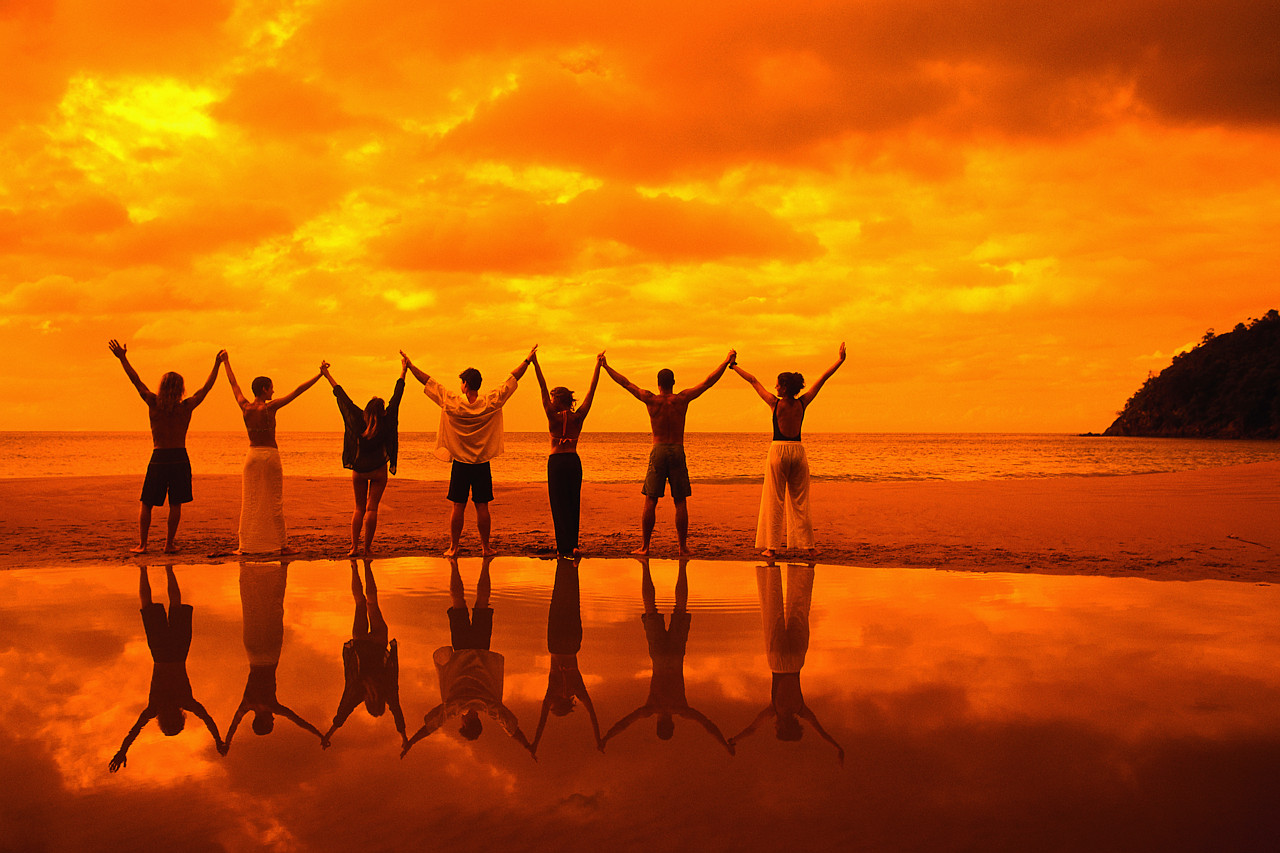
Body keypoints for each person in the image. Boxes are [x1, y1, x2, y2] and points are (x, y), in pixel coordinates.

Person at [401, 346, 537, 556]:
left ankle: (454, 547)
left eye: (461, 382)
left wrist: (410, 366)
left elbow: (430, 382)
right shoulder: (490, 402)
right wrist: (527, 361)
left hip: (461, 465)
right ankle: (485, 547)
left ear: (465, 385)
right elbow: (511, 380)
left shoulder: (454, 403)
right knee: (482, 506)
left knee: (458, 506)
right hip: (481, 463)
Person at [601, 350, 735, 556]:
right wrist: (726, 362)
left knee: (651, 500)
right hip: (677, 449)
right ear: (674, 382)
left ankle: (645, 547)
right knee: (680, 500)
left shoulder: (650, 399)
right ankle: (683, 547)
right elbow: (708, 381)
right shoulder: (682, 399)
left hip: (659, 449)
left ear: (658, 383)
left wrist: (606, 366)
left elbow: (626, 383)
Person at [402, 557, 533, 757]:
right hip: (461, 649)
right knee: (458, 603)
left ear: (479, 721)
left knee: (482, 603)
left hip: (481, 648)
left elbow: (511, 728)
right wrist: (411, 741)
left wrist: (526, 745)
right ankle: (453, 564)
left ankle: (486, 564)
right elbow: (431, 726)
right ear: (464, 722)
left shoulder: (490, 706)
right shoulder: (455, 706)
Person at [601, 558, 733, 754]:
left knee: (680, 608)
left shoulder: (681, 709)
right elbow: (626, 722)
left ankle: (682, 566)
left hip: (676, 656)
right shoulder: (651, 709)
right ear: (658, 723)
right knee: (651, 609)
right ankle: (646, 567)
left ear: (672, 724)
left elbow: (706, 724)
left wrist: (724, 744)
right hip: (659, 657)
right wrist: (606, 737)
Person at [108, 340, 225, 554]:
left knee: (147, 503)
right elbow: (206, 388)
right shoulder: (186, 406)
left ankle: (143, 545)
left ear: (162, 387)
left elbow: (136, 381)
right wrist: (217, 364)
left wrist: (123, 358)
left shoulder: (153, 402)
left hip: (160, 456)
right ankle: (168, 544)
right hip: (180, 457)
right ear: (181, 388)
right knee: (175, 504)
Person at [731, 344, 845, 558]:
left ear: (784, 387)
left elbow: (753, 380)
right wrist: (839, 360)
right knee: (800, 500)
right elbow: (822, 379)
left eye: (777, 385)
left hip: (778, 451)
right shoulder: (802, 402)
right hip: (798, 452)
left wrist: (734, 366)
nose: (774, 387)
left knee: (775, 500)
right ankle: (809, 547)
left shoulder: (774, 404)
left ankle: (772, 548)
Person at [109, 566, 225, 771]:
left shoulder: (177, 704)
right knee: (150, 606)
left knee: (174, 606)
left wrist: (218, 740)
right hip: (163, 654)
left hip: (177, 652)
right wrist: (122, 750)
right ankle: (144, 569)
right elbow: (134, 731)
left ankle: (167, 568)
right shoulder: (159, 706)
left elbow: (207, 719)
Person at [729, 562, 844, 765]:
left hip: (797, 661)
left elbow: (821, 731)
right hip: (777, 662)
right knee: (773, 612)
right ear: (782, 726)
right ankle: (771, 569)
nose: (774, 727)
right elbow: (753, 728)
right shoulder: (776, 709)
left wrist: (837, 747)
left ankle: (804, 571)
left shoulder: (801, 710)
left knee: (799, 611)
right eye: (777, 729)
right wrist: (734, 739)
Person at [223, 354, 325, 555]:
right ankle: (283, 545)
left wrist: (225, 362)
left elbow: (233, 383)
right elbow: (297, 391)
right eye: (271, 387)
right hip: (269, 456)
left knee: (250, 500)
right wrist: (320, 375)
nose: (273, 390)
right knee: (275, 501)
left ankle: (245, 545)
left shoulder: (245, 407)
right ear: (264, 389)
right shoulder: (270, 407)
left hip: (251, 457)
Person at [224, 559, 326, 750]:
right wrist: (227, 742)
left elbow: (296, 719)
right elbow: (234, 725)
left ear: (264, 721)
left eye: (270, 723)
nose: (273, 720)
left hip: (270, 655)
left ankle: (280, 570)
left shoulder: (271, 706)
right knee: (252, 611)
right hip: (253, 654)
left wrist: (319, 734)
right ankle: (250, 573)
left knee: (274, 609)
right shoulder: (248, 705)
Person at [320, 358, 408, 556]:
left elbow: (342, 397)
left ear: (367, 410)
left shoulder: (358, 418)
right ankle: (367, 548)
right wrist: (404, 370)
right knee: (372, 509)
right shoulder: (388, 419)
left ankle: (354, 547)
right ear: (383, 411)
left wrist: (327, 375)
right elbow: (397, 395)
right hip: (378, 470)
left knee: (359, 508)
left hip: (359, 470)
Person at [321, 560, 407, 750]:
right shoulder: (358, 692)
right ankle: (354, 567)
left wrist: (404, 738)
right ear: (367, 703)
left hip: (379, 641)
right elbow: (342, 714)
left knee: (371, 602)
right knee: (360, 602)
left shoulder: (388, 692)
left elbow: (398, 715)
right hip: (360, 642)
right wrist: (327, 734)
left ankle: (366, 565)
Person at [531, 350, 603, 557]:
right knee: (573, 502)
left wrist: (536, 363)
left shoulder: (552, 416)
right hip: (572, 461)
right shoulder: (578, 417)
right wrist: (597, 367)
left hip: (556, 462)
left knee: (558, 503)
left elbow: (542, 387)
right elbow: (592, 392)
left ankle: (563, 547)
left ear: (558, 400)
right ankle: (573, 544)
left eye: (553, 398)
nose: (550, 400)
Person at [531, 556, 603, 757]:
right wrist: (535, 743)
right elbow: (542, 721)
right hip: (556, 644)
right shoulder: (553, 693)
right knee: (559, 601)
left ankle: (571, 567)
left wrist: (598, 738)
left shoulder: (575, 690)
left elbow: (592, 713)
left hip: (571, 644)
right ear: (556, 704)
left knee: (572, 601)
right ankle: (564, 566)